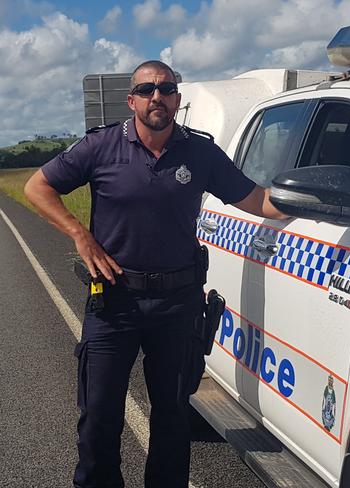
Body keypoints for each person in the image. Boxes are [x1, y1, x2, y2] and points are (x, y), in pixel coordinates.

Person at [24, 60, 286, 488]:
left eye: (165, 89)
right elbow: (38, 186)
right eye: (146, 90)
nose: (156, 97)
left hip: (177, 306)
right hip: (114, 303)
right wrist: (80, 235)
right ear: (132, 101)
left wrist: (307, 199)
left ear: (178, 100)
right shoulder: (101, 147)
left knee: (172, 420)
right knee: (99, 420)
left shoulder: (200, 153)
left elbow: (257, 201)